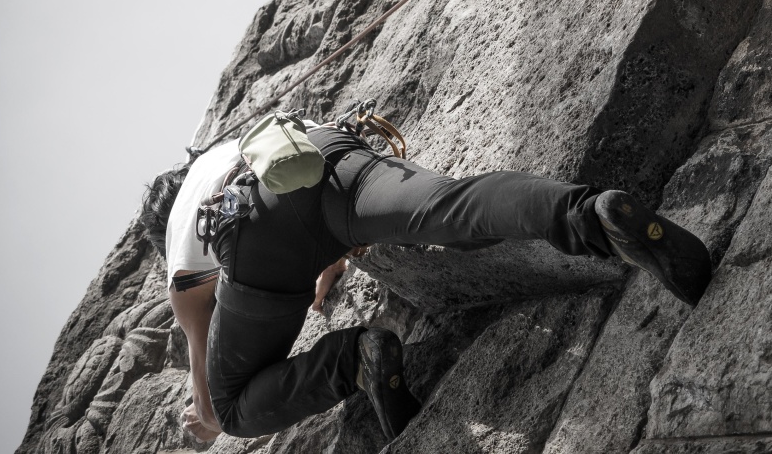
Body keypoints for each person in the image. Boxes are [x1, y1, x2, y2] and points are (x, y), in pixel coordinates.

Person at [138, 121, 712, 443]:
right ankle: (592, 215)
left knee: (236, 410)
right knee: (453, 208)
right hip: (327, 156)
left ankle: (353, 360)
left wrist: (205, 420)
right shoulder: (235, 144)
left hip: (256, 233)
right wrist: (331, 260)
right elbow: (297, 189)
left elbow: (204, 381)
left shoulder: (180, 233)